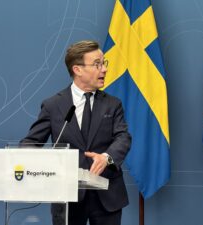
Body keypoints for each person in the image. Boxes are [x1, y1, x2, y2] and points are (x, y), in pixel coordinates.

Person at [21, 40, 131, 225]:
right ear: (77, 69)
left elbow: (123, 137)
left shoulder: (113, 104)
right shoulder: (53, 105)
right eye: (97, 64)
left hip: (107, 197)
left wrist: (107, 157)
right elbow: (29, 144)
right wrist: (47, 165)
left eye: (104, 63)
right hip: (67, 197)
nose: (104, 69)